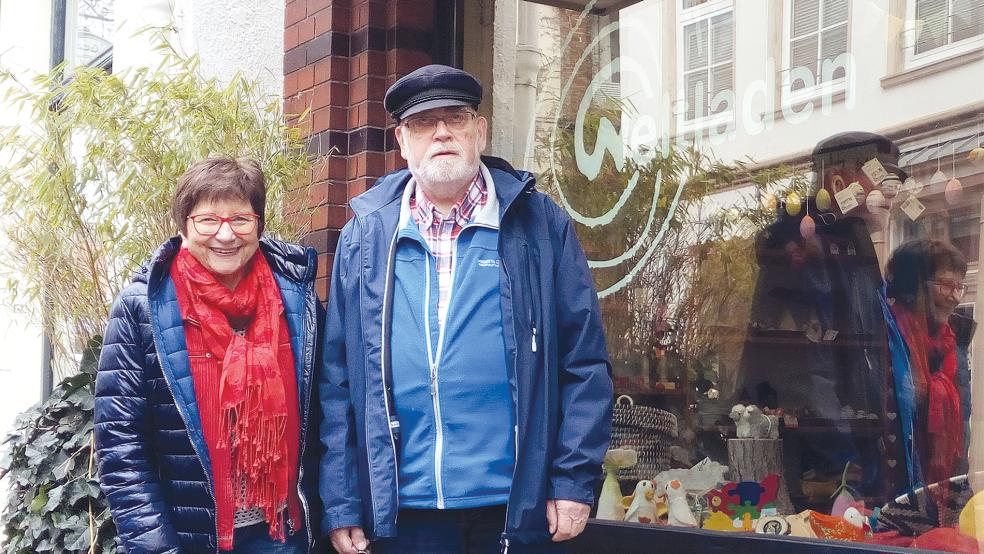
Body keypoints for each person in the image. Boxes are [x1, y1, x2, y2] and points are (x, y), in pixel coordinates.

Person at [320, 64, 613, 554]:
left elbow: (584, 363)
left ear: (480, 131)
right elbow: (337, 381)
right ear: (402, 141)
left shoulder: (539, 226)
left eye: (454, 118)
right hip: (403, 512)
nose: (441, 133)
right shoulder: (365, 238)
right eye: (422, 123)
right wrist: (342, 499)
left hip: (516, 506)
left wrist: (573, 481)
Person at [94, 158, 322, 553]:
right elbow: (121, 445)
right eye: (208, 221)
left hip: (282, 532)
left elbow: (325, 415)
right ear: (184, 227)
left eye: (240, 220)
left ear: (259, 224)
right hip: (191, 536)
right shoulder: (144, 306)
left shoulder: (296, 297)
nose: (225, 235)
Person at [885, 239, 968, 486]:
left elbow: (962, 430)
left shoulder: (953, 345)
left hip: (937, 490)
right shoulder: (890, 336)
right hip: (896, 484)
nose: (955, 297)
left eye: (959, 287)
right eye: (945, 285)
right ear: (915, 288)